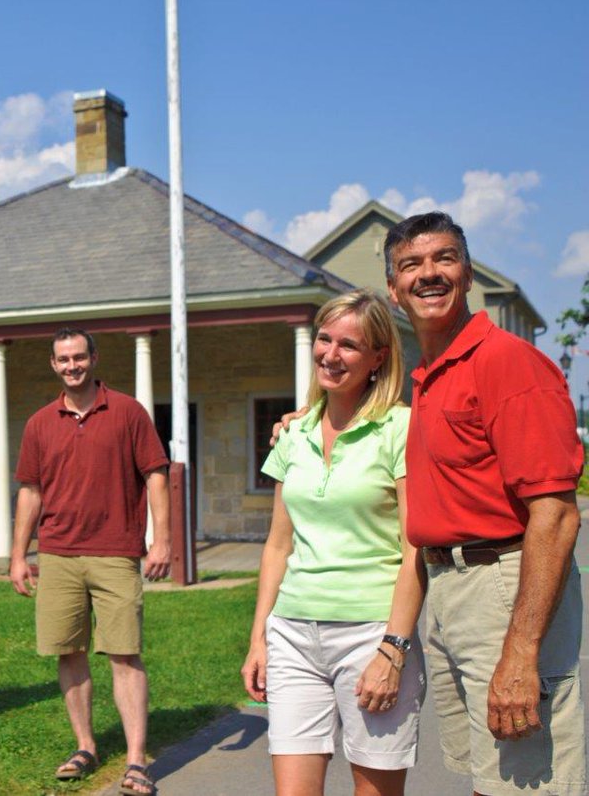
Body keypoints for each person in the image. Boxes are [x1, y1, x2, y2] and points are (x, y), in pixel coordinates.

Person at [384, 212, 585, 795]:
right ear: (394, 290)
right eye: (410, 265)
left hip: (504, 582)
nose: (429, 274)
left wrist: (521, 654)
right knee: (490, 775)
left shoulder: (507, 364)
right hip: (448, 587)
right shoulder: (429, 374)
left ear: (468, 273)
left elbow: (556, 512)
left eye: (444, 259)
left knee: (527, 780)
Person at [241, 289, 426, 796]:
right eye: (325, 339)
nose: (331, 353)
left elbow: (416, 547)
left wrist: (393, 648)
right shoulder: (293, 433)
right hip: (294, 637)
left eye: (349, 345)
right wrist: (260, 637)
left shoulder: (401, 428)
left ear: (377, 359)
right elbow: (278, 546)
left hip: (371, 634)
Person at [9, 327, 171, 796]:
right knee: (69, 652)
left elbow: (155, 476)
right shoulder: (40, 422)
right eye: (63, 359)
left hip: (116, 552)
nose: (72, 365)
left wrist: (161, 541)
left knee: (124, 653)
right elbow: (31, 491)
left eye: (79, 357)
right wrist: (19, 555)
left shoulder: (127, 412)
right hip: (58, 553)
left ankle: (137, 758)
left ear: (94, 358)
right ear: (53, 365)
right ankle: (85, 746)